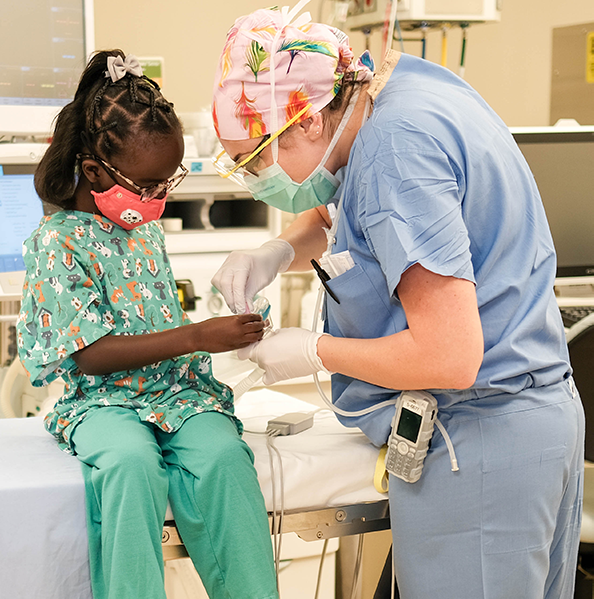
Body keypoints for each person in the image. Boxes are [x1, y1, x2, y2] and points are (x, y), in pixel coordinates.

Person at [210, 6, 584, 599]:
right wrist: (278, 250)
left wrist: (315, 352)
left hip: (480, 436)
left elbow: (451, 356)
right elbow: (347, 206)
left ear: (307, 122)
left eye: (255, 158)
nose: (256, 177)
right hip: (528, 425)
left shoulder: (395, 155)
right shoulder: (389, 94)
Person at [17, 50, 279, 599]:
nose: (159, 197)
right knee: (131, 464)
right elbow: (89, 354)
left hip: (177, 392)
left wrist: (228, 320)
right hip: (103, 399)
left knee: (224, 458)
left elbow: (154, 313)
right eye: (148, 185)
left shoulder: (141, 229)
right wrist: (198, 336)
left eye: (167, 182)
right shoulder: (59, 241)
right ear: (93, 171)